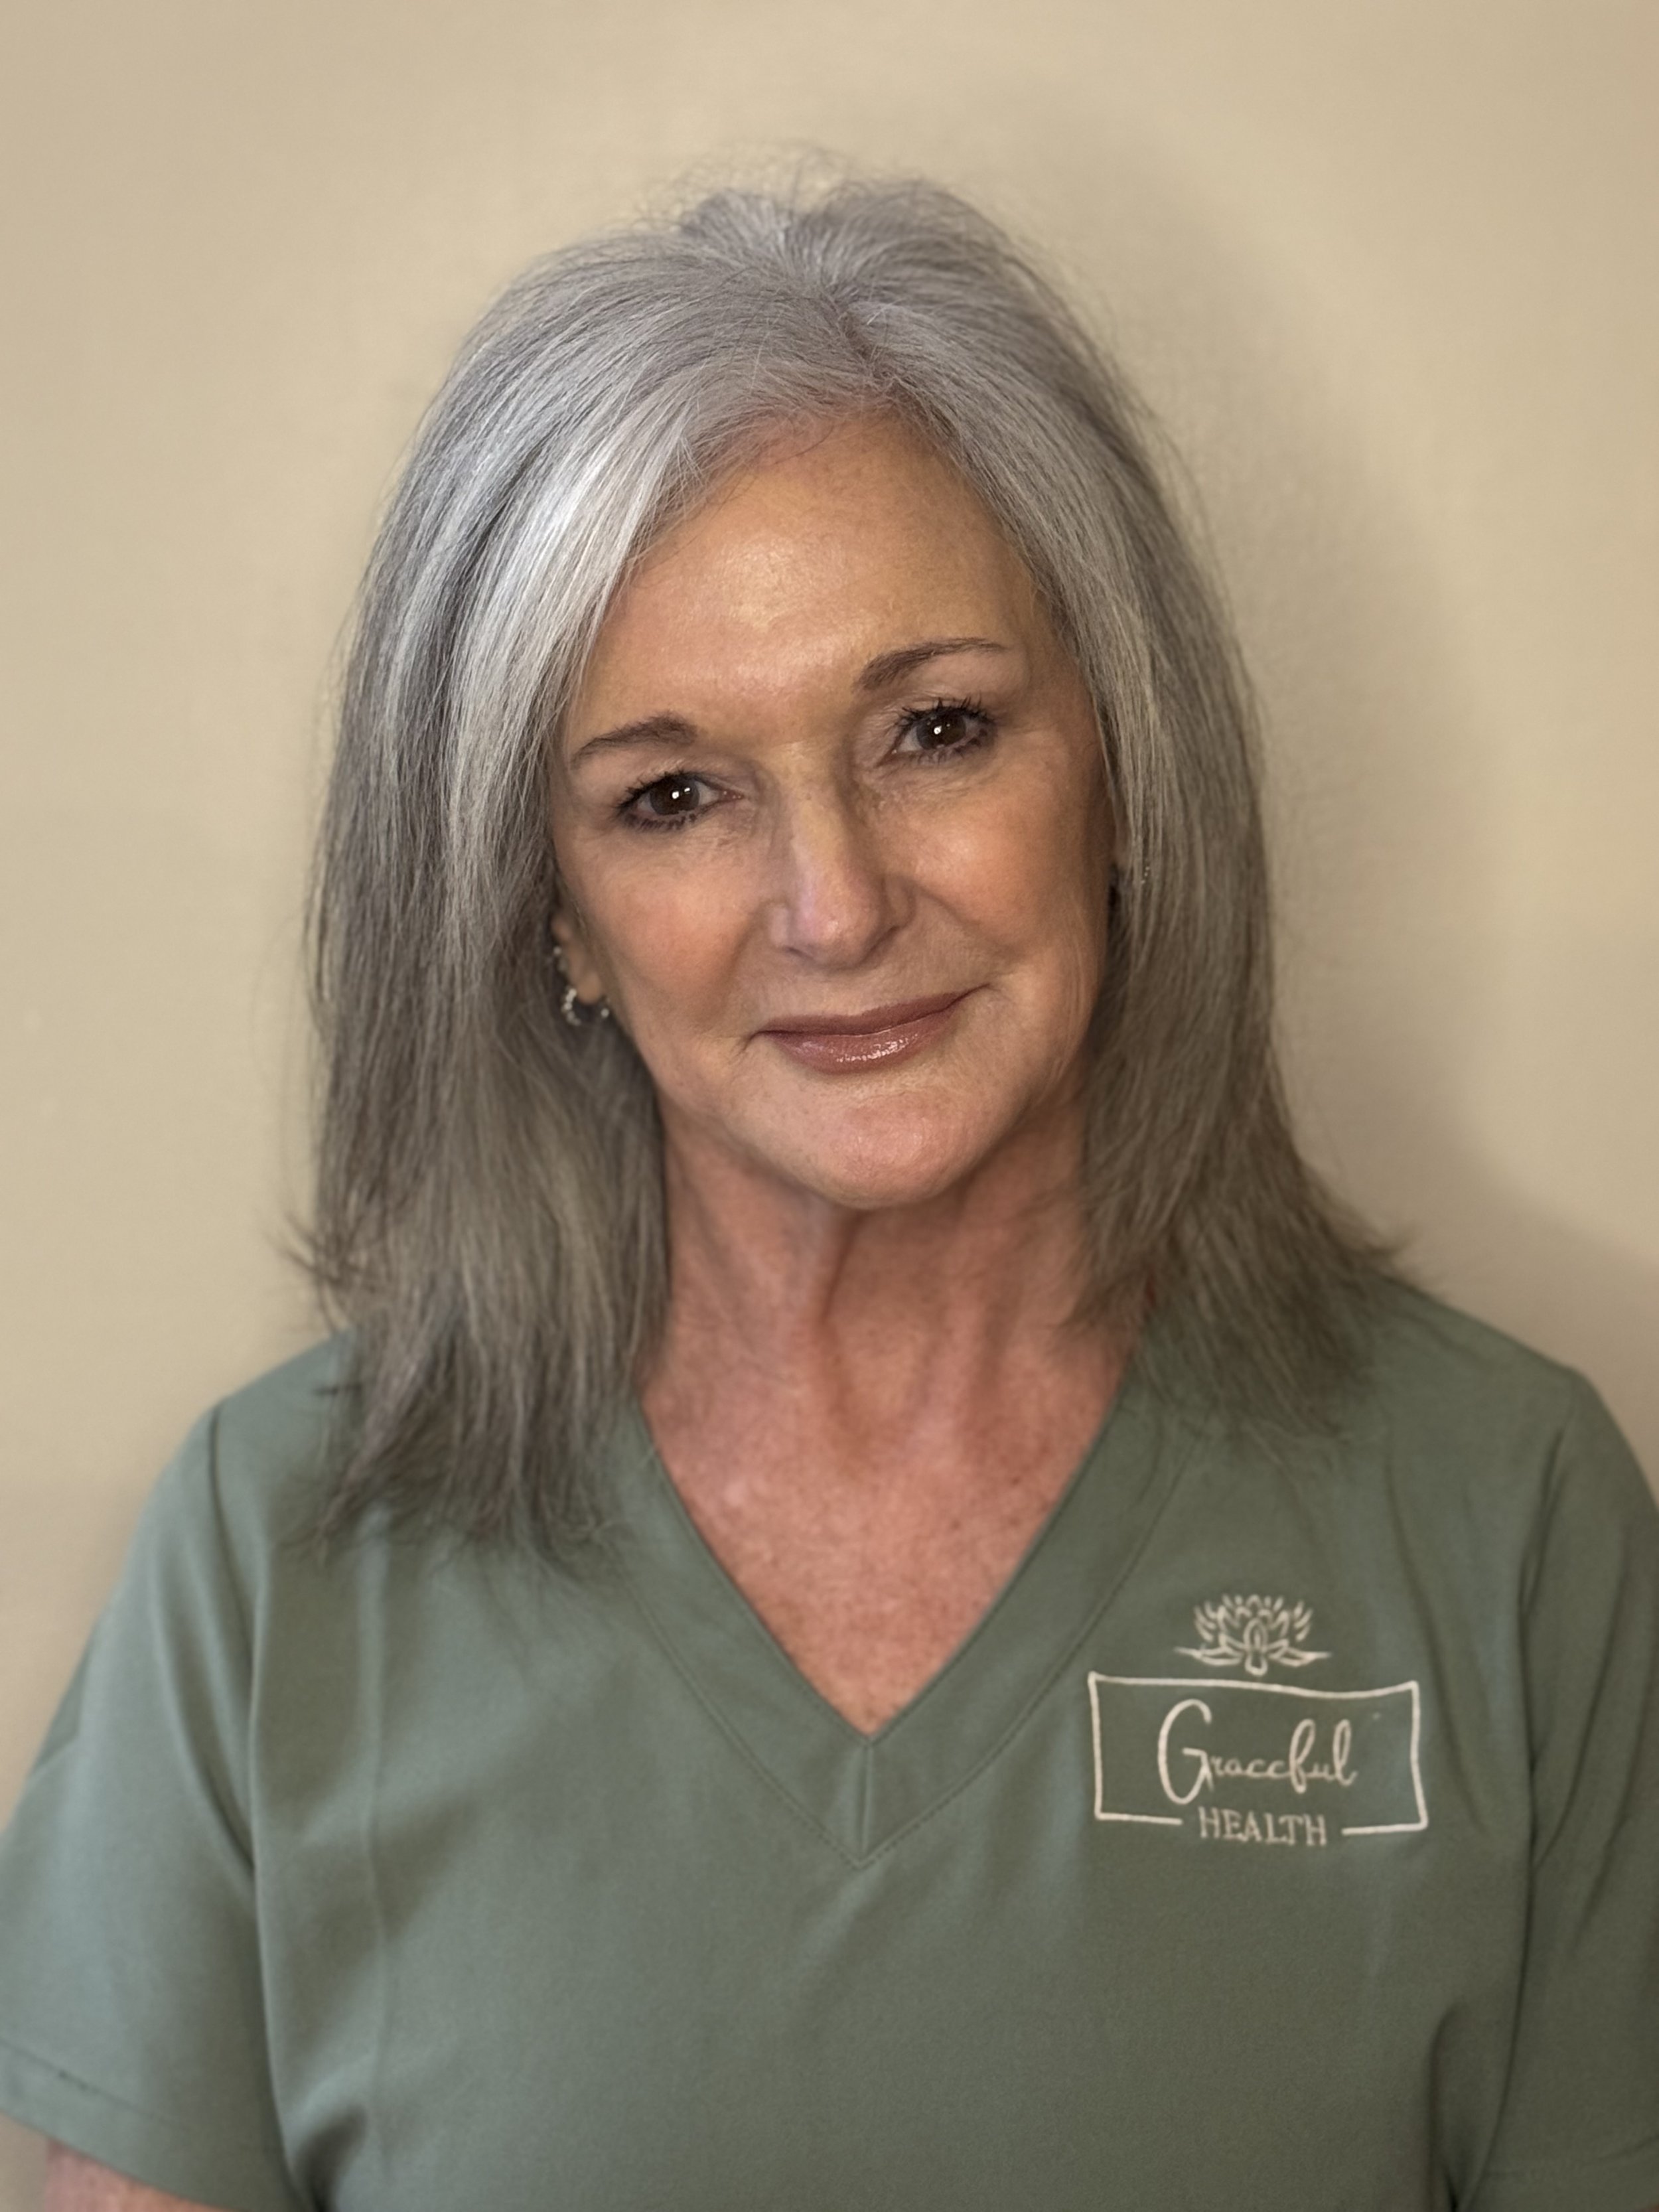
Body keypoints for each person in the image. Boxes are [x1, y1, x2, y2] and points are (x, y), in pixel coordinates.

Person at [1, 176, 1656, 2212]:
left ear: (1122, 771)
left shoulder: (1505, 1520)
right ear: (550, 912)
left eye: (936, 732)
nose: (839, 903)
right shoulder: (273, 1563)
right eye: (671, 795)